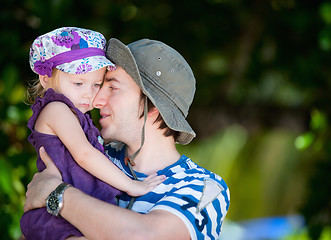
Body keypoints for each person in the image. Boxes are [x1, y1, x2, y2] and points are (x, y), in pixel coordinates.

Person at [23, 37, 230, 239]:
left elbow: (144, 236)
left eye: (112, 87)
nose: (96, 100)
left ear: (152, 107)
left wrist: (57, 195)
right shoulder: (96, 157)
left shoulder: (204, 187)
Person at [20, 27, 165, 240]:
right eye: (78, 83)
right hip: (56, 218)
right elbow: (84, 155)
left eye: (96, 84)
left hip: (73, 213)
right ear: (45, 79)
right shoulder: (56, 110)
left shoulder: (76, 116)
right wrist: (132, 186)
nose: (89, 95)